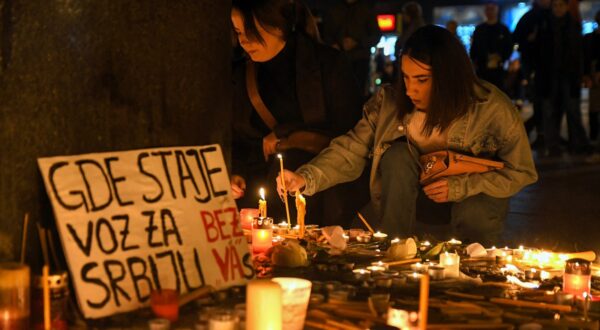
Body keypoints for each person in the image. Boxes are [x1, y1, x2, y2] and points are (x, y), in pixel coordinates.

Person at [278, 25, 537, 245]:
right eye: (406, 77)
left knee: (474, 221)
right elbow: (352, 148)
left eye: (422, 80)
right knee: (396, 155)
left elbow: (522, 171)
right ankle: (396, 252)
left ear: (449, 77)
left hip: (473, 203)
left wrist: (461, 186)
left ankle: (471, 266)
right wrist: (305, 177)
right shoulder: (391, 103)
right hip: (414, 196)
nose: (411, 89)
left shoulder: (491, 108)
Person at [230, 0, 367, 227]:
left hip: (317, 188)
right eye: (238, 32)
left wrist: (286, 136)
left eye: (251, 30)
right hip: (259, 189)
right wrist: (237, 172)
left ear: (278, 25)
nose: (244, 40)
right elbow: (240, 139)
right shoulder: (242, 73)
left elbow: (352, 135)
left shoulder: (328, 65)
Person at [534, 0, 590, 156]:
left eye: (560, 5)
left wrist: (582, 74)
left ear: (566, 7)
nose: (558, 9)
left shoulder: (573, 26)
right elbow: (538, 52)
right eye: (555, 6)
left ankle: (577, 143)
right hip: (549, 75)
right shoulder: (544, 25)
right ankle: (554, 146)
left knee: (572, 110)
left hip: (568, 75)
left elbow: (580, 53)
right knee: (550, 111)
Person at [513, 0, 552, 148]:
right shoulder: (529, 17)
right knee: (539, 101)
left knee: (548, 102)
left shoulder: (551, 16)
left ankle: (539, 131)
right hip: (534, 66)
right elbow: (517, 37)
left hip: (548, 67)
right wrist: (528, 40)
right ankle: (539, 133)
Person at [322, 0, 381, 97]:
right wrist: (333, 44)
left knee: (357, 93)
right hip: (338, 58)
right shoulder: (334, 8)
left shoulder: (366, 8)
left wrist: (358, 43)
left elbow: (376, 35)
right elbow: (326, 34)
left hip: (360, 59)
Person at [470, 2, 513, 92]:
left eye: (492, 9)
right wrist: (475, 62)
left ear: (496, 11)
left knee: (498, 91)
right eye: (488, 10)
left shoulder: (503, 29)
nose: (490, 12)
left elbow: (509, 47)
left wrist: (501, 57)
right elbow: (474, 48)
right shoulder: (479, 29)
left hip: (498, 69)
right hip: (482, 68)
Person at [583, 10, 600, 143]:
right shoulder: (590, 38)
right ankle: (594, 139)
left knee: (594, 109)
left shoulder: (590, 38)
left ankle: (594, 139)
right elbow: (586, 59)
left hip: (594, 76)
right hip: (594, 78)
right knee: (594, 109)